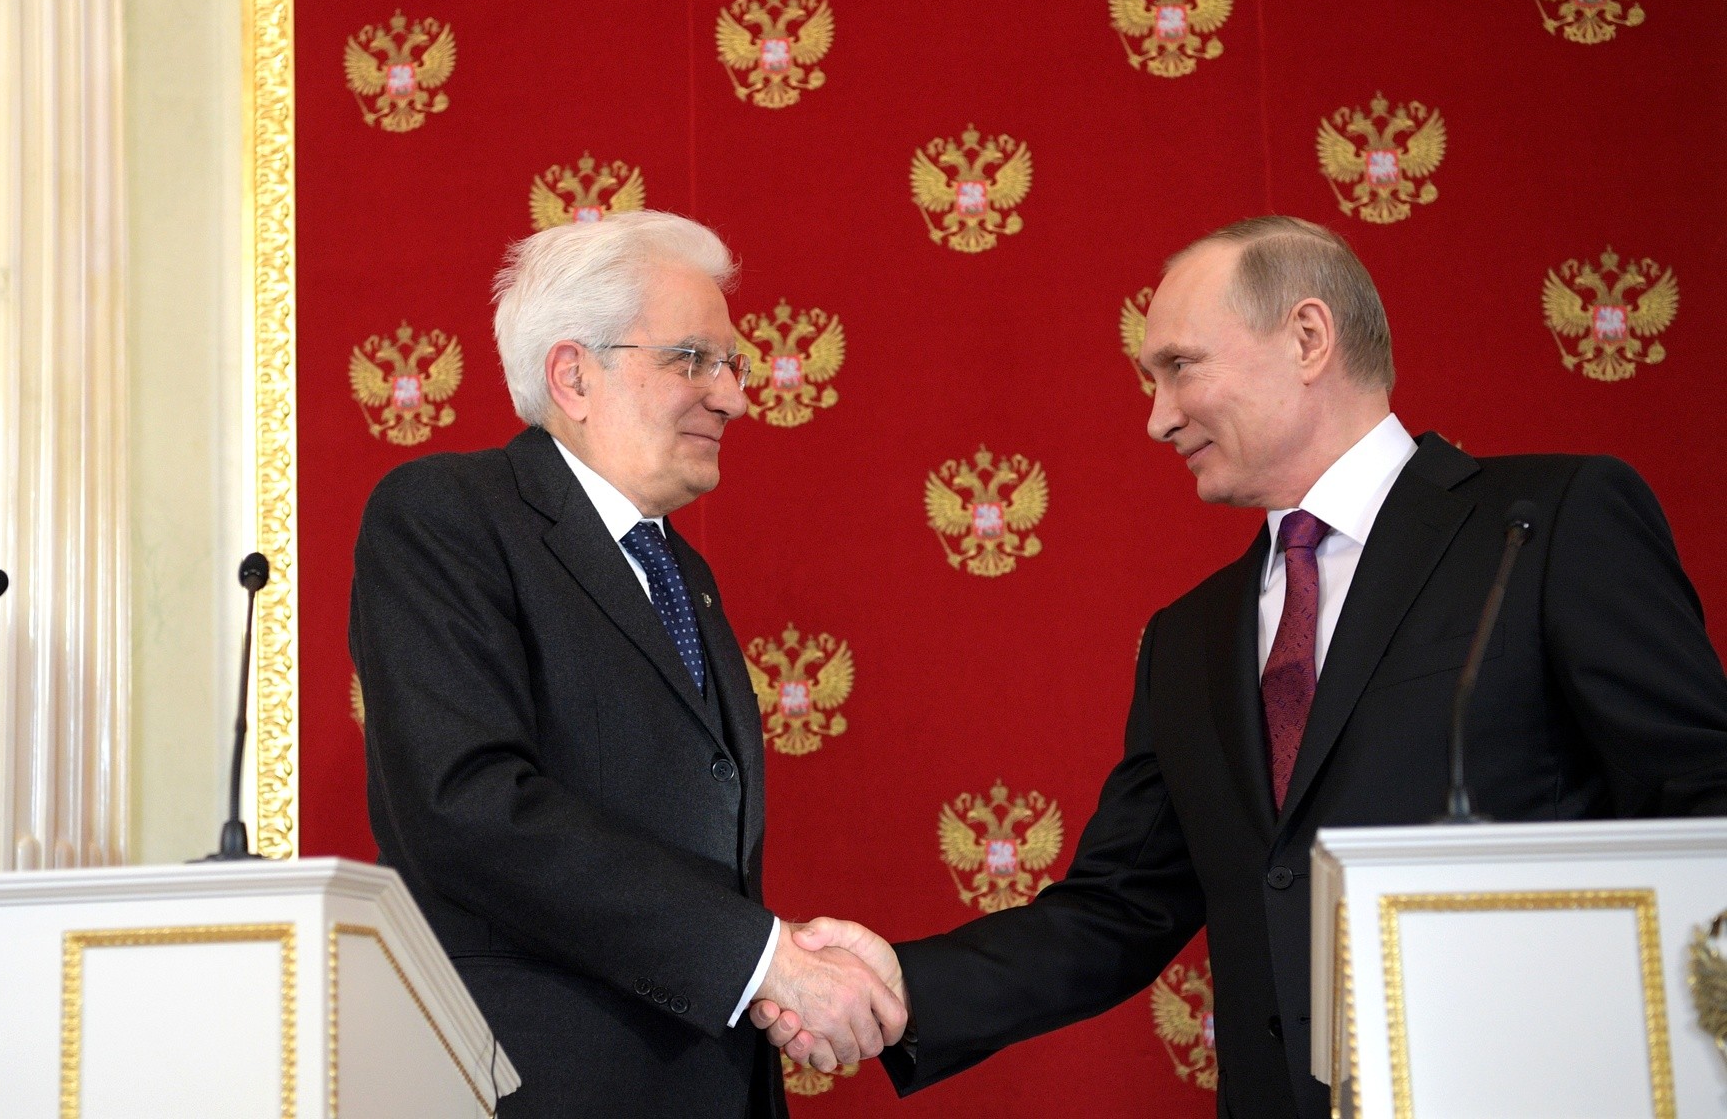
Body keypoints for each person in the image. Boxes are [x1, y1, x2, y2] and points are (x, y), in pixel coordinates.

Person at [753, 215, 1727, 1118]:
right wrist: (900, 982)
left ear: (1307, 338)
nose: (1155, 418)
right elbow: (1118, 909)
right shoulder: (1190, 636)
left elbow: (1703, 806)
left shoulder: (1545, 525)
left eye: (1179, 367)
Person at [351, 211, 905, 1118]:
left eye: (732, 364)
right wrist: (763, 960)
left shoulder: (681, 572)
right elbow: (468, 805)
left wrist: (777, 960)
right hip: (535, 1086)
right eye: (693, 360)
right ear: (573, 374)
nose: (733, 397)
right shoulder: (448, 514)